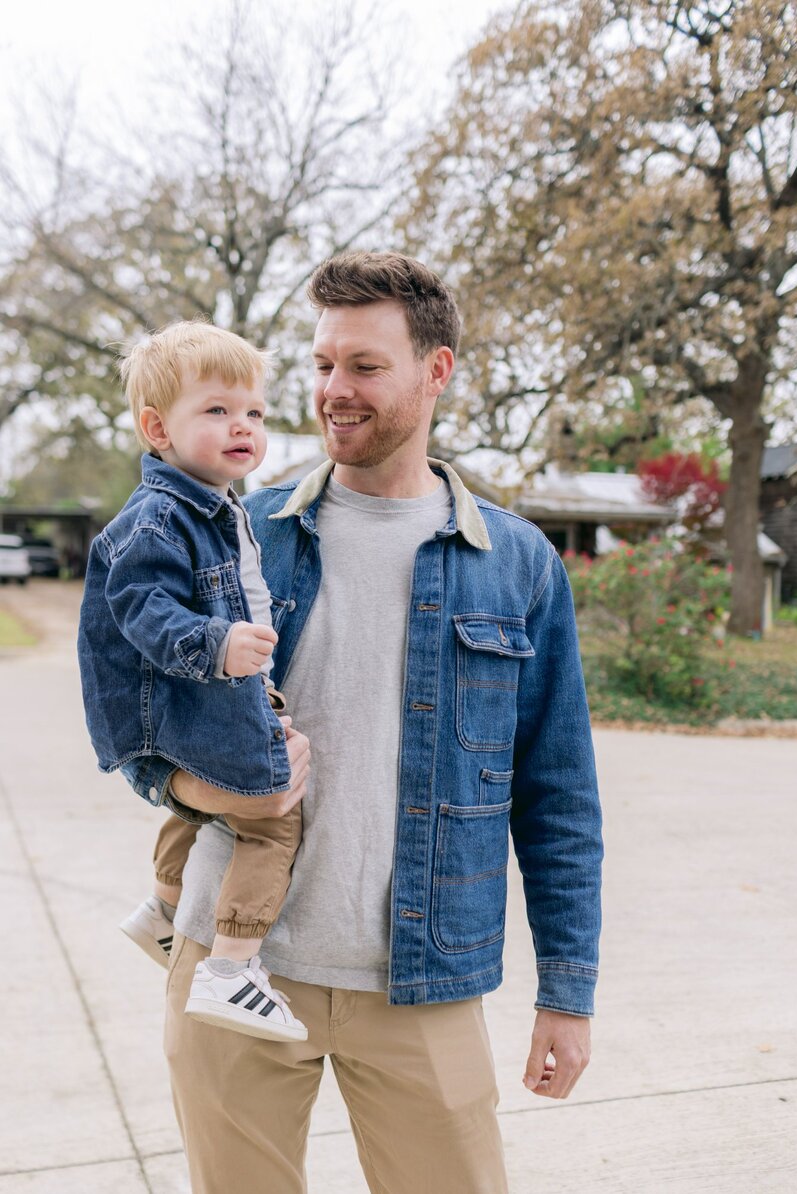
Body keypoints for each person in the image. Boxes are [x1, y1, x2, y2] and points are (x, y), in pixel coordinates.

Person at [124, 252, 603, 1194]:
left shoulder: (517, 564)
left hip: (422, 981)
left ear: (437, 371)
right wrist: (187, 785)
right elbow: (137, 718)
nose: (333, 391)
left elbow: (558, 796)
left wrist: (567, 993)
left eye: (365, 367)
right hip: (234, 972)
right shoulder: (234, 528)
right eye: (321, 364)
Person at [78, 321, 311, 1044]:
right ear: (157, 428)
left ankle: (160, 913)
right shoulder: (158, 519)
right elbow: (142, 609)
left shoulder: (214, 505)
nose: (242, 426)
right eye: (217, 411)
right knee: (273, 821)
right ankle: (233, 968)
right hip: (179, 700)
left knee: (206, 807)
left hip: (191, 704)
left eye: (255, 413)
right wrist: (216, 645)